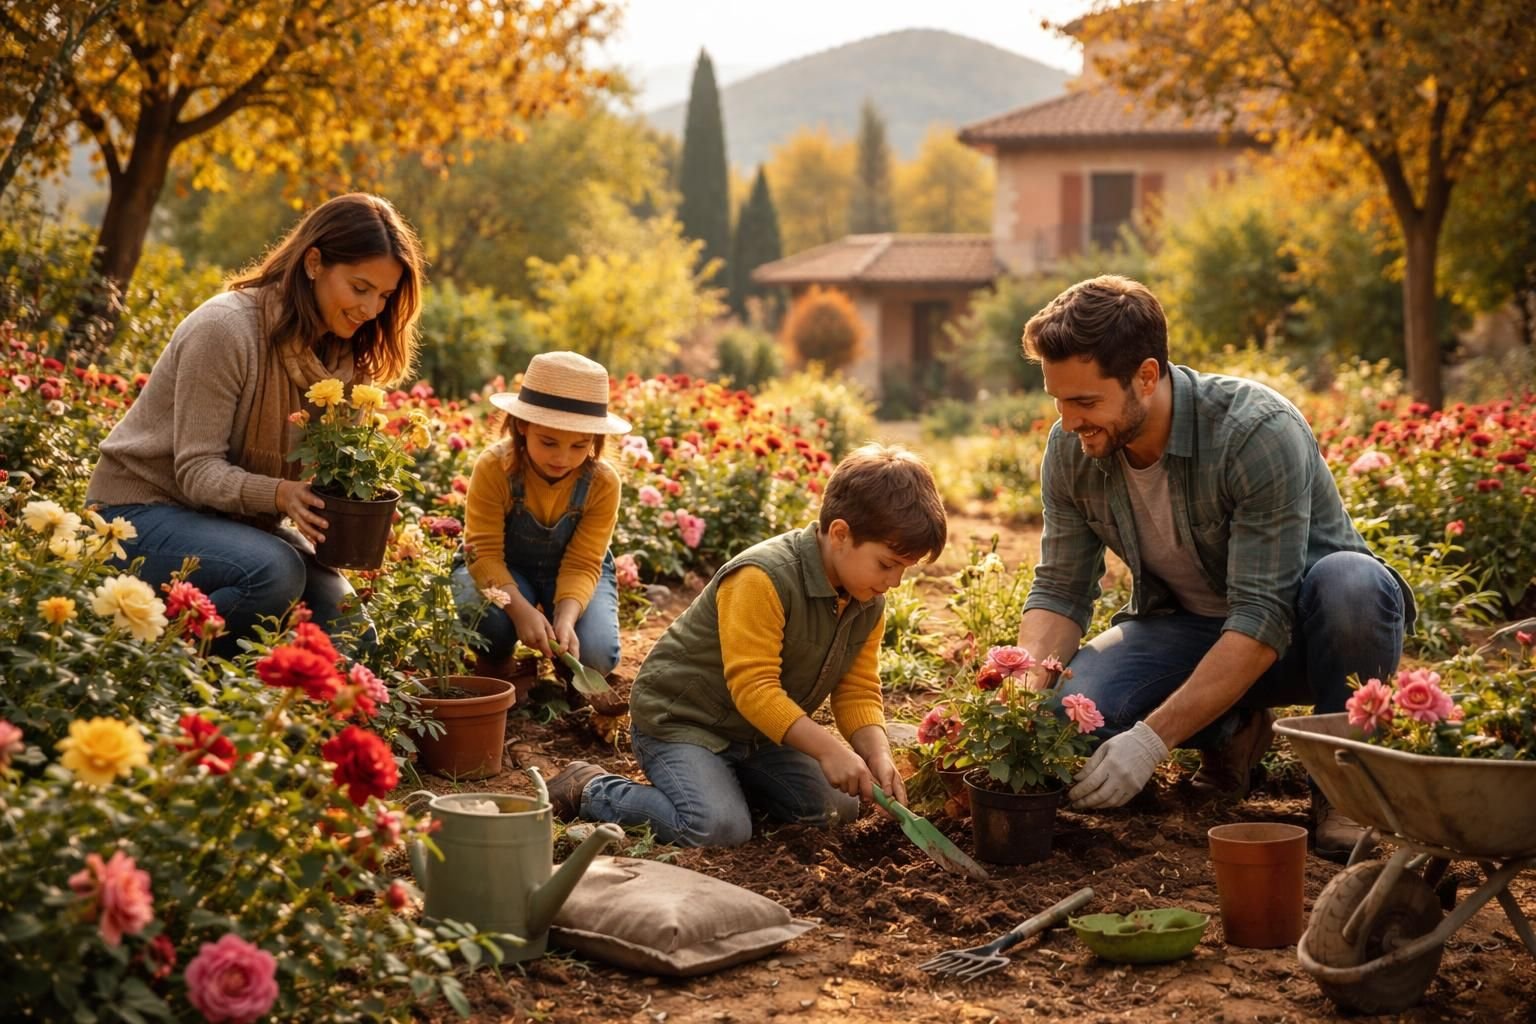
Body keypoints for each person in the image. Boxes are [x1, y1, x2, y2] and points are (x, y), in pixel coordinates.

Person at [1013, 275, 1414, 861]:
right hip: (1192, 631)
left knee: (1354, 584)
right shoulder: (1072, 449)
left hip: (1304, 634)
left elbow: (1260, 618)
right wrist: (1020, 704)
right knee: (1072, 717)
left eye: (1085, 401)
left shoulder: (1255, 432)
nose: (1069, 420)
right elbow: (1059, 590)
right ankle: (1234, 730)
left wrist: (1150, 743)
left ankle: (1345, 790)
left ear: (1145, 377)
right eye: (1058, 399)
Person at [544, 444, 948, 848]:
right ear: (841, 534)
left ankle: (723, 788)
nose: (894, 581)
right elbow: (755, 690)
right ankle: (592, 789)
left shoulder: (866, 600)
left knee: (837, 808)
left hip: (756, 736)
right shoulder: (762, 577)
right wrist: (827, 749)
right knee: (716, 829)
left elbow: (856, 689)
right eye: (887, 564)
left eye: (904, 569)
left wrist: (877, 754)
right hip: (683, 723)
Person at [86, 193, 425, 656]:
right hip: (138, 513)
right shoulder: (226, 330)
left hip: (233, 525)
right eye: (360, 288)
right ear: (313, 263)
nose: (371, 309)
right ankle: (151, 670)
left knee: (351, 634)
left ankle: (279, 713)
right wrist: (282, 494)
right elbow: (197, 471)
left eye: (384, 296)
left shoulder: (347, 361)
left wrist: (351, 510)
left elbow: (327, 478)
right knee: (273, 572)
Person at [451, 351, 629, 697]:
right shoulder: (494, 468)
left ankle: (562, 663)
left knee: (596, 655)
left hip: (573, 573)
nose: (562, 458)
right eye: (549, 442)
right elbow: (483, 552)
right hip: (504, 567)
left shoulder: (602, 483)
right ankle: (499, 662)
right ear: (522, 425)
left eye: (580, 445)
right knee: (489, 623)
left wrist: (566, 617)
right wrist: (518, 610)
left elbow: (583, 561)